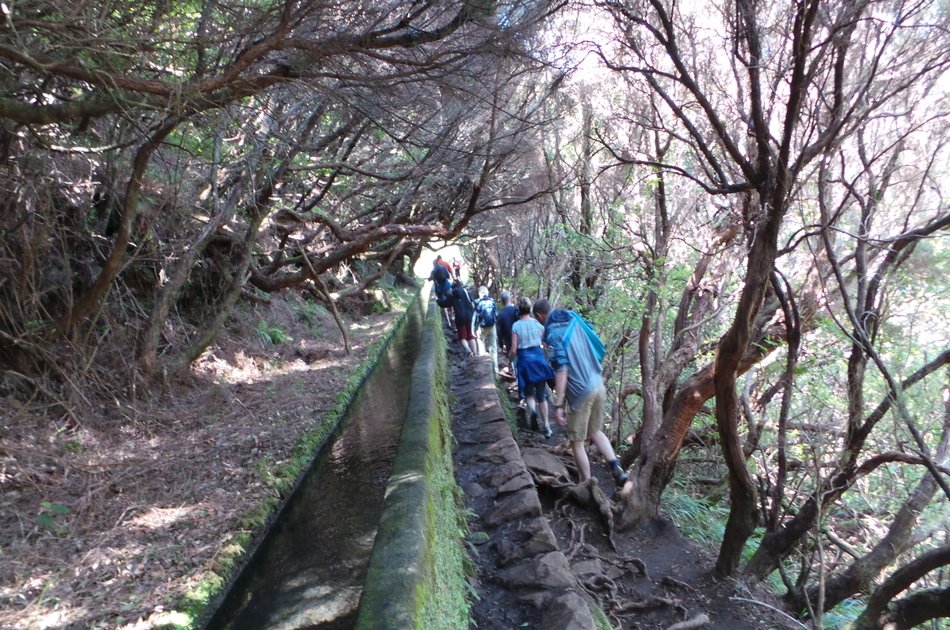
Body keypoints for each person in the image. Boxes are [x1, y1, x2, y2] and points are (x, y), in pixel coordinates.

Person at [533, 299, 628, 485]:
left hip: (580, 393)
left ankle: (586, 483)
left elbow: (562, 370)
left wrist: (558, 404)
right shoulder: (573, 319)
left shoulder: (553, 335)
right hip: (598, 382)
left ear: (539, 316)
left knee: (577, 441)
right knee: (595, 431)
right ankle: (616, 467)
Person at [510, 297, 556, 438]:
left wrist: (509, 362)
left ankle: (533, 411)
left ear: (519, 309)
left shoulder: (516, 326)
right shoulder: (538, 325)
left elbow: (513, 349)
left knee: (529, 393)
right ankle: (547, 427)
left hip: (524, 362)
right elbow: (545, 342)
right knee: (542, 396)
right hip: (538, 360)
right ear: (530, 309)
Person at [451, 280, 479, 358]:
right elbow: (473, 303)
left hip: (459, 318)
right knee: (471, 335)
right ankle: (475, 354)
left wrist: (438, 300)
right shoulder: (466, 292)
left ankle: (469, 351)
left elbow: (445, 303)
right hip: (469, 316)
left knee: (462, 337)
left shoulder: (452, 295)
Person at [474, 286, 498, 370]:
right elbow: (496, 314)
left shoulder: (477, 302)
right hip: (492, 326)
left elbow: (476, 317)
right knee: (493, 348)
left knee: (480, 342)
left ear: (479, 293)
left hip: (482, 327)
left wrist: (474, 328)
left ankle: (484, 368)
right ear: (487, 292)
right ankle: (496, 370)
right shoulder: (492, 301)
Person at [495, 290, 519, 372]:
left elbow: (499, 332)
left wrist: (501, 345)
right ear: (510, 299)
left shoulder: (500, 315)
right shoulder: (517, 310)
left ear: (502, 301)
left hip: (510, 344)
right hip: (522, 342)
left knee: (516, 367)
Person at [428, 258, 454, 326]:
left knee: (443, 304)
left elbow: (430, 279)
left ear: (433, 264)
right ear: (438, 262)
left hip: (440, 290)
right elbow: (448, 276)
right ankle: (452, 317)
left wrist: (430, 278)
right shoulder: (443, 267)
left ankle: (448, 322)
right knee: (451, 300)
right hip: (447, 286)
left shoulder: (433, 271)